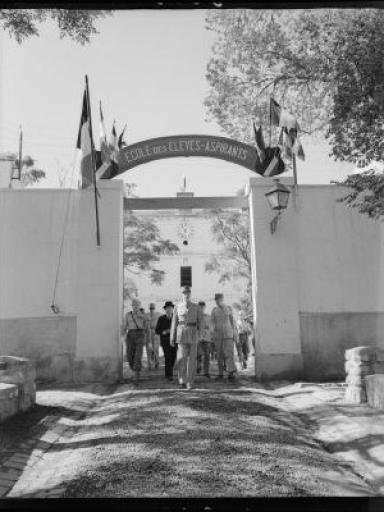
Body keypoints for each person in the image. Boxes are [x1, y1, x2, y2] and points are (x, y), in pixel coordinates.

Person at [170, 286, 202, 390]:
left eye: (188, 292)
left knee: (192, 359)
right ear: (181, 294)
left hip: (193, 333)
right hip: (181, 333)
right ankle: (182, 380)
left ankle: (190, 382)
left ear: (190, 294)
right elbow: (174, 323)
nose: (186, 294)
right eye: (184, 293)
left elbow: (201, 322)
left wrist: (200, 335)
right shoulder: (177, 307)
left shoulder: (196, 307)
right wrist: (172, 337)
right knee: (182, 358)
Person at [121, 298, 150, 385]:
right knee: (129, 355)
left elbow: (147, 327)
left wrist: (148, 340)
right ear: (132, 306)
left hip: (140, 335)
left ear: (139, 306)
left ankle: (136, 375)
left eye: (137, 305)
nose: (135, 306)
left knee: (138, 355)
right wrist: (122, 336)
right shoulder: (128, 315)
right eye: (134, 305)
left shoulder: (144, 315)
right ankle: (135, 369)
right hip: (130, 335)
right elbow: (124, 326)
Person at [211, 293, 238, 381]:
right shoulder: (214, 310)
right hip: (218, 336)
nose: (217, 301)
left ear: (222, 299)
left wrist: (235, 334)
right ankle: (220, 374)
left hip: (228, 335)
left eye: (218, 299)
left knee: (229, 354)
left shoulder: (229, 308)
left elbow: (233, 322)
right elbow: (211, 322)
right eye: (216, 300)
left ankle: (231, 373)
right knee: (219, 355)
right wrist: (212, 330)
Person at [156, 301, 177, 381]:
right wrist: (164, 332)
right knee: (167, 357)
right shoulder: (161, 318)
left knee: (173, 357)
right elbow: (157, 330)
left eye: (170, 308)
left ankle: (169, 371)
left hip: (174, 341)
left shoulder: (176, 318)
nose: (169, 310)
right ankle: (169, 375)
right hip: (165, 341)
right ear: (165, 309)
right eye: (167, 308)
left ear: (173, 309)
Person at [196, 301, 212, 378]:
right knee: (198, 354)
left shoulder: (208, 317)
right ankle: (198, 366)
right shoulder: (195, 317)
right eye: (200, 307)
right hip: (198, 338)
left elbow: (211, 327)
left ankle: (206, 372)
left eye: (203, 307)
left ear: (205, 307)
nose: (202, 309)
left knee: (207, 355)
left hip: (207, 338)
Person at [147, 303, 160, 369]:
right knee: (149, 349)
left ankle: (157, 363)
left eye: (153, 308)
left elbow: (160, 324)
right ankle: (150, 365)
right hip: (148, 333)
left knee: (156, 349)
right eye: (150, 308)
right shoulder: (146, 315)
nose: (152, 309)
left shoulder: (158, 314)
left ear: (154, 308)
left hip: (156, 332)